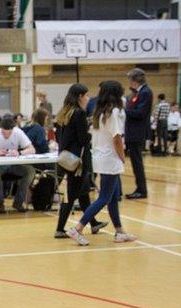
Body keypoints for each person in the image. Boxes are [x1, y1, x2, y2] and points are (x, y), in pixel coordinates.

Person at [66, 81, 137, 246]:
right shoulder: (113, 112)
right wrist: (122, 156)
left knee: (113, 196)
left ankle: (119, 231)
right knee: (104, 197)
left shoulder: (99, 111)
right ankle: (78, 228)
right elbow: (117, 138)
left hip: (99, 156)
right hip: (110, 158)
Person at [54, 83, 106, 238]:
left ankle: (94, 223)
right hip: (78, 161)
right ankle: (59, 229)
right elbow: (83, 139)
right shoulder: (79, 114)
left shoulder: (63, 113)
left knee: (82, 193)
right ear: (79, 97)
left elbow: (60, 137)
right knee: (70, 195)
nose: (88, 98)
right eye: (86, 95)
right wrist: (91, 133)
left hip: (66, 158)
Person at [0, 114, 36, 213]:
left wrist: (19, 152)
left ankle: (18, 202)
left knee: (30, 171)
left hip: (14, 164)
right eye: (4, 133)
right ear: (0, 129)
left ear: (13, 129)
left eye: (9, 133)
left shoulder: (18, 132)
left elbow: (32, 149)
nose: (6, 135)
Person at [123, 68, 151, 199]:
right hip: (132, 132)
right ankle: (139, 188)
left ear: (135, 80)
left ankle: (142, 190)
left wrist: (123, 111)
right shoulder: (137, 93)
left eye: (130, 79)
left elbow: (140, 113)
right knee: (135, 163)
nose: (129, 82)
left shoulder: (145, 92)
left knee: (137, 163)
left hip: (137, 132)